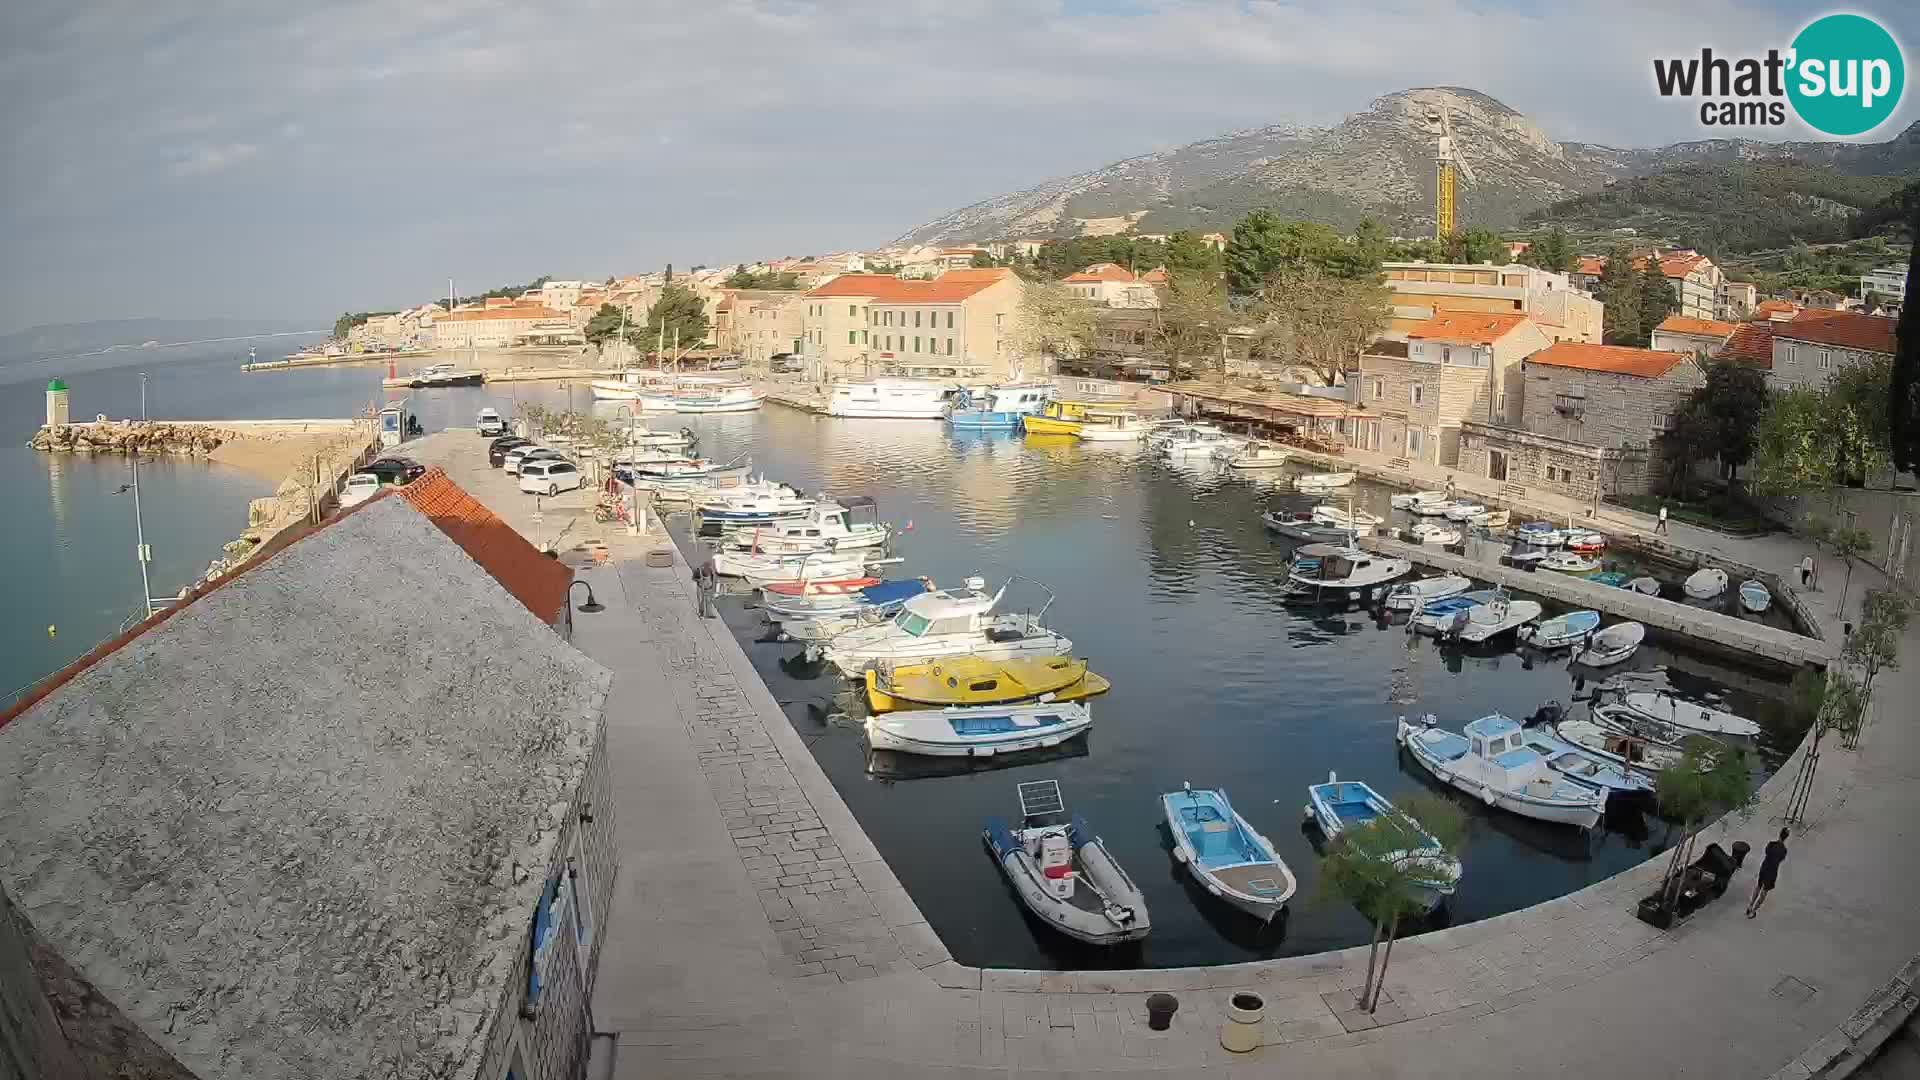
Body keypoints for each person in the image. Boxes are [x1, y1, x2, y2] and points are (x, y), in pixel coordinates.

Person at [1747, 827, 1789, 918]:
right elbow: (1781, 859)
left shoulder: (1771, 844)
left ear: (1780, 834)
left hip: (1764, 868)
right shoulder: (1784, 850)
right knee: (1764, 892)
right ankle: (1753, 911)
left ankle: (1750, 905)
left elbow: (1766, 852)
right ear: (1786, 837)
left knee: (1758, 887)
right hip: (1772, 872)